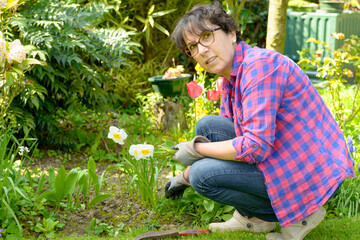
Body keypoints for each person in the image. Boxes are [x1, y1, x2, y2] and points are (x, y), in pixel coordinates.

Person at [164, 2, 355, 240]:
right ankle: (254, 218)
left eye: (206, 36)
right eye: (192, 46)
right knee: (208, 127)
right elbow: (235, 138)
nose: (201, 50)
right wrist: (199, 150)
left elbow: (255, 147)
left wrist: (194, 153)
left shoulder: (259, 68)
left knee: (202, 175)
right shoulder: (233, 76)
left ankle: (302, 214)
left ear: (231, 33)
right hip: (287, 156)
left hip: (312, 174)